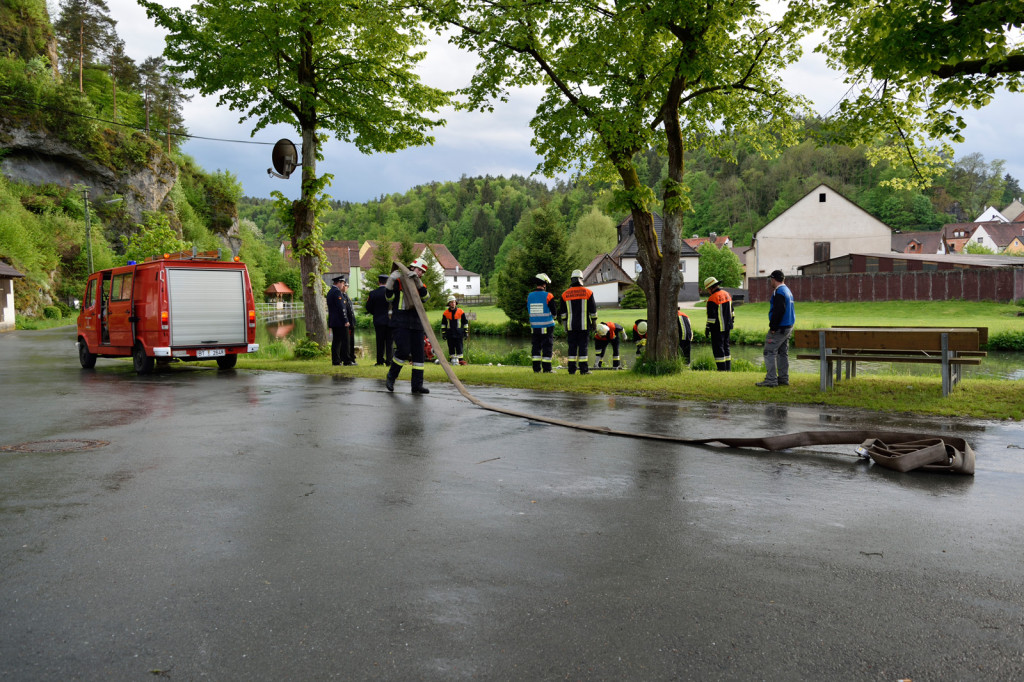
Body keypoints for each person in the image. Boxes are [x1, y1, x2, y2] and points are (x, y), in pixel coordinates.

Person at [384, 258, 430, 394]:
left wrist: (418, 282)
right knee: (403, 350)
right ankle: (391, 377)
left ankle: (417, 386)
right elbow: (388, 298)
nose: (420, 273)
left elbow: (426, 298)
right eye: (419, 270)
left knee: (419, 356)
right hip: (400, 321)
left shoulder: (420, 284)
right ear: (411, 268)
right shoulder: (399, 281)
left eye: (422, 272)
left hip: (417, 322)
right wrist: (390, 281)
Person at [757, 270, 795, 387]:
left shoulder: (779, 292)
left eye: (770, 280)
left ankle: (771, 380)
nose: (770, 282)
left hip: (780, 327)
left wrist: (773, 327)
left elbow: (779, 310)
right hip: (788, 326)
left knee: (769, 352)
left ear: (773, 279)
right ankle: (783, 378)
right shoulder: (787, 290)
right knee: (782, 353)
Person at [560, 269, 597, 375]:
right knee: (583, 347)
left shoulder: (565, 294)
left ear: (571, 280)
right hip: (584, 325)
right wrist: (594, 323)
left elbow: (563, 313)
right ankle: (583, 370)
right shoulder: (588, 292)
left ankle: (571, 370)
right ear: (581, 279)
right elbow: (593, 311)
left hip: (570, 326)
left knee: (572, 347)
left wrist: (565, 325)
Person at [527, 273, 558, 373]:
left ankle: (536, 369)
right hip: (547, 326)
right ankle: (547, 369)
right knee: (547, 347)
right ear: (544, 284)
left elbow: (528, 309)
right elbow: (554, 312)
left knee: (535, 347)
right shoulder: (548, 295)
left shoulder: (530, 296)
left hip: (534, 327)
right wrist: (554, 316)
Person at [703, 276, 734, 371]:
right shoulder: (727, 294)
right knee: (726, 347)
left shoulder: (712, 298)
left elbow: (711, 318)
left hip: (717, 328)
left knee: (718, 349)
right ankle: (727, 369)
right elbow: (732, 312)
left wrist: (708, 328)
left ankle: (721, 369)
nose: (708, 291)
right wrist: (731, 322)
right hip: (727, 327)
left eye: (708, 289)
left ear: (711, 287)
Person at [364, 273, 392, 366]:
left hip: (378, 320)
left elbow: (368, 307)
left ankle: (380, 361)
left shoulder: (373, 293)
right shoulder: (391, 293)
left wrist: (375, 313)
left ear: (378, 282)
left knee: (379, 342)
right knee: (389, 342)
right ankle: (389, 361)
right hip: (390, 320)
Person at [326, 275, 353, 366]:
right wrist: (346, 320)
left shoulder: (330, 292)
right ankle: (347, 360)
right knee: (345, 340)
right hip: (340, 321)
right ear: (338, 283)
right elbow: (341, 308)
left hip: (334, 321)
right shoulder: (337, 292)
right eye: (342, 283)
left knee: (336, 341)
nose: (343, 285)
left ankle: (336, 360)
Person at [440, 294, 470, 365]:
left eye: (454, 302)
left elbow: (465, 323)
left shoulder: (461, 312)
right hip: (450, 334)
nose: (453, 303)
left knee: (459, 347)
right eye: (451, 302)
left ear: (455, 303)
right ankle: (452, 361)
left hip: (459, 333)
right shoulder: (445, 313)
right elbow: (443, 324)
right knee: (451, 348)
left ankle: (461, 361)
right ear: (449, 303)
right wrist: (443, 333)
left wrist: (466, 332)